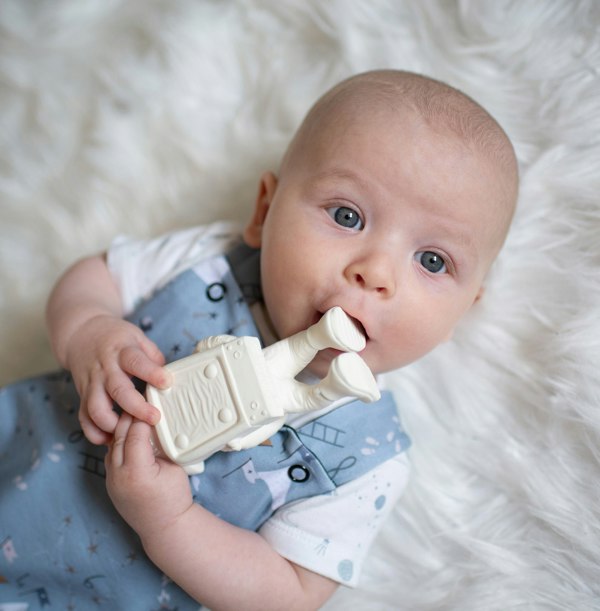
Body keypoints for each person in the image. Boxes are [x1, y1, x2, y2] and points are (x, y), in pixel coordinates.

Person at [0, 70, 518, 609]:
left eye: (432, 261)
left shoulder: (370, 461)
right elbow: (95, 278)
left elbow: (286, 595)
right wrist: (89, 330)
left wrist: (169, 521)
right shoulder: (207, 264)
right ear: (264, 213)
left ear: (462, 310)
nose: (376, 272)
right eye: (348, 215)